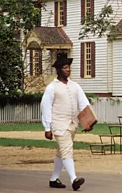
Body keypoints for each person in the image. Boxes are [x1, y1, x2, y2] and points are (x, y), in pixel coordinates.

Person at [41, 57, 92, 191]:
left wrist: (88, 122)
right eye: (65, 67)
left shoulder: (75, 86)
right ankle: (73, 179)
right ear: (58, 70)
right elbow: (45, 107)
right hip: (59, 124)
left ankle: (53, 179)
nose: (68, 69)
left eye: (69, 67)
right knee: (67, 151)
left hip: (73, 124)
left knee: (61, 152)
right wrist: (47, 127)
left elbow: (84, 104)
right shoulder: (51, 87)